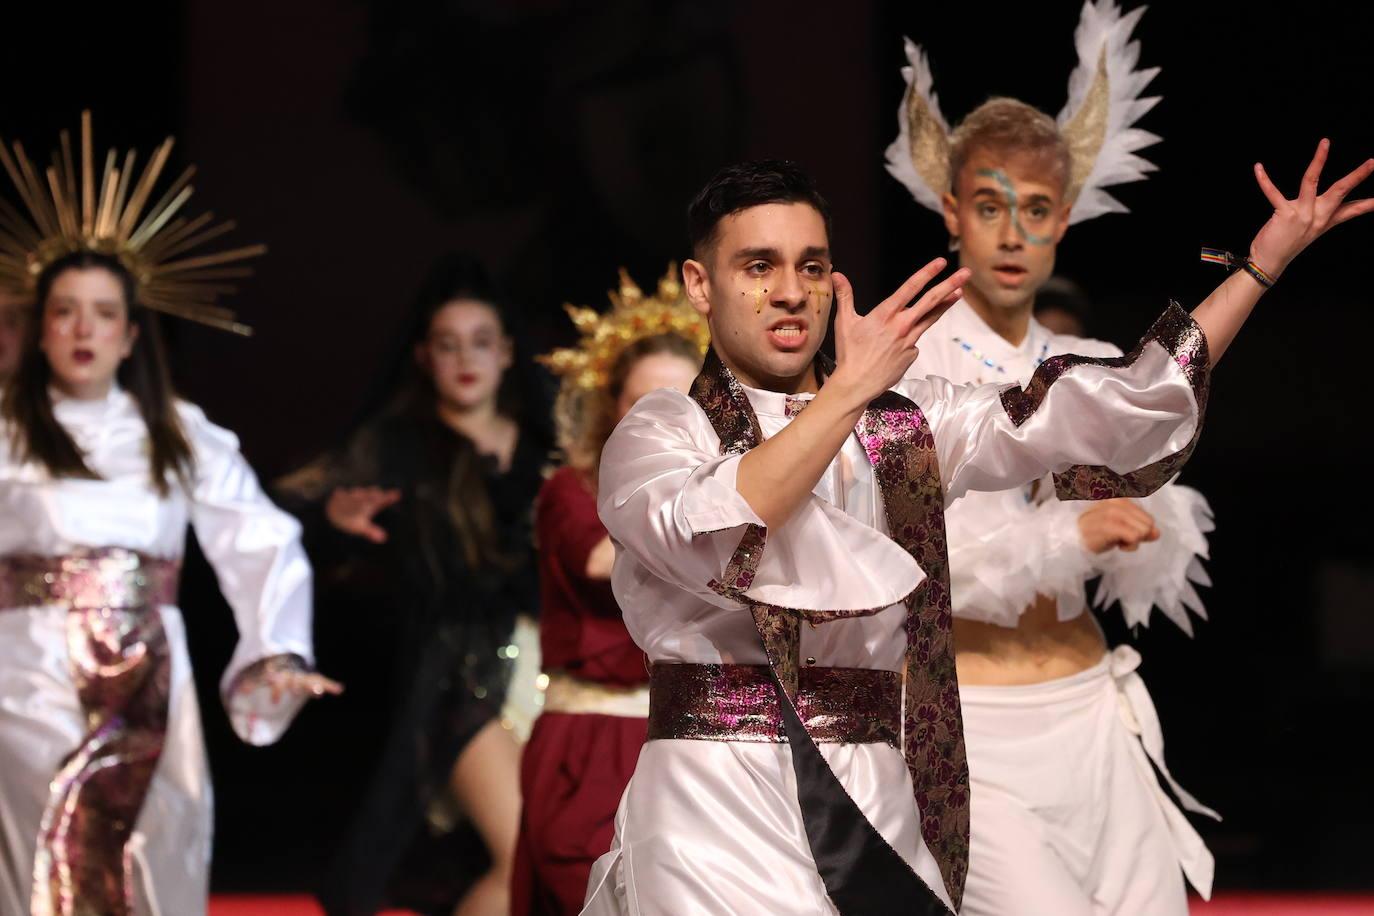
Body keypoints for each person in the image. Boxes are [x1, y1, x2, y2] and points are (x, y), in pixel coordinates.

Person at [582, 142, 1373, 915]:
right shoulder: (661, 432)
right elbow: (720, 531)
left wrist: (1259, 269)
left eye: (812, 266)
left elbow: (1122, 407)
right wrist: (847, 392)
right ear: (700, 283)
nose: (791, 291)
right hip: (711, 807)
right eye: (759, 267)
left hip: (878, 802)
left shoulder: (900, 427)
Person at [886, 5, 1218, 910]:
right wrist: (1072, 531)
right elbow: (909, 563)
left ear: (1064, 219)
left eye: (1035, 210)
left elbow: (1165, 434)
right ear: (952, 210)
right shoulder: (905, 367)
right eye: (990, 207)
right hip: (974, 729)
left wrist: (1141, 529)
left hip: (1089, 712)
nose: (1012, 234)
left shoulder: (1093, 369)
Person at [0, 113, 338, 916]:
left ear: (129, 335)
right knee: (32, 858)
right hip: (25, 677)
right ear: (41, 327)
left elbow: (259, 537)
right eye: (66, 311)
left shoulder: (177, 433)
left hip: (147, 672)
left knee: (144, 856)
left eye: (103, 313)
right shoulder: (8, 433)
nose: (84, 329)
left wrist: (275, 647)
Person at [299, 253, 549, 916]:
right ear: (423, 358)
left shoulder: (552, 443)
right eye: (447, 344)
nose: (465, 358)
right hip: (455, 685)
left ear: (506, 354)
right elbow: (285, 509)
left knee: (552, 862)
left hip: (552, 674)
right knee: (525, 853)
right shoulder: (395, 446)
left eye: (480, 342)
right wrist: (331, 519)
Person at [512, 266, 707, 915]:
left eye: (681, 400)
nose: (665, 420)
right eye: (644, 403)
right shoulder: (571, 490)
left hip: (688, 742)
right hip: (592, 740)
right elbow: (600, 560)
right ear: (613, 408)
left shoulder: (723, 499)